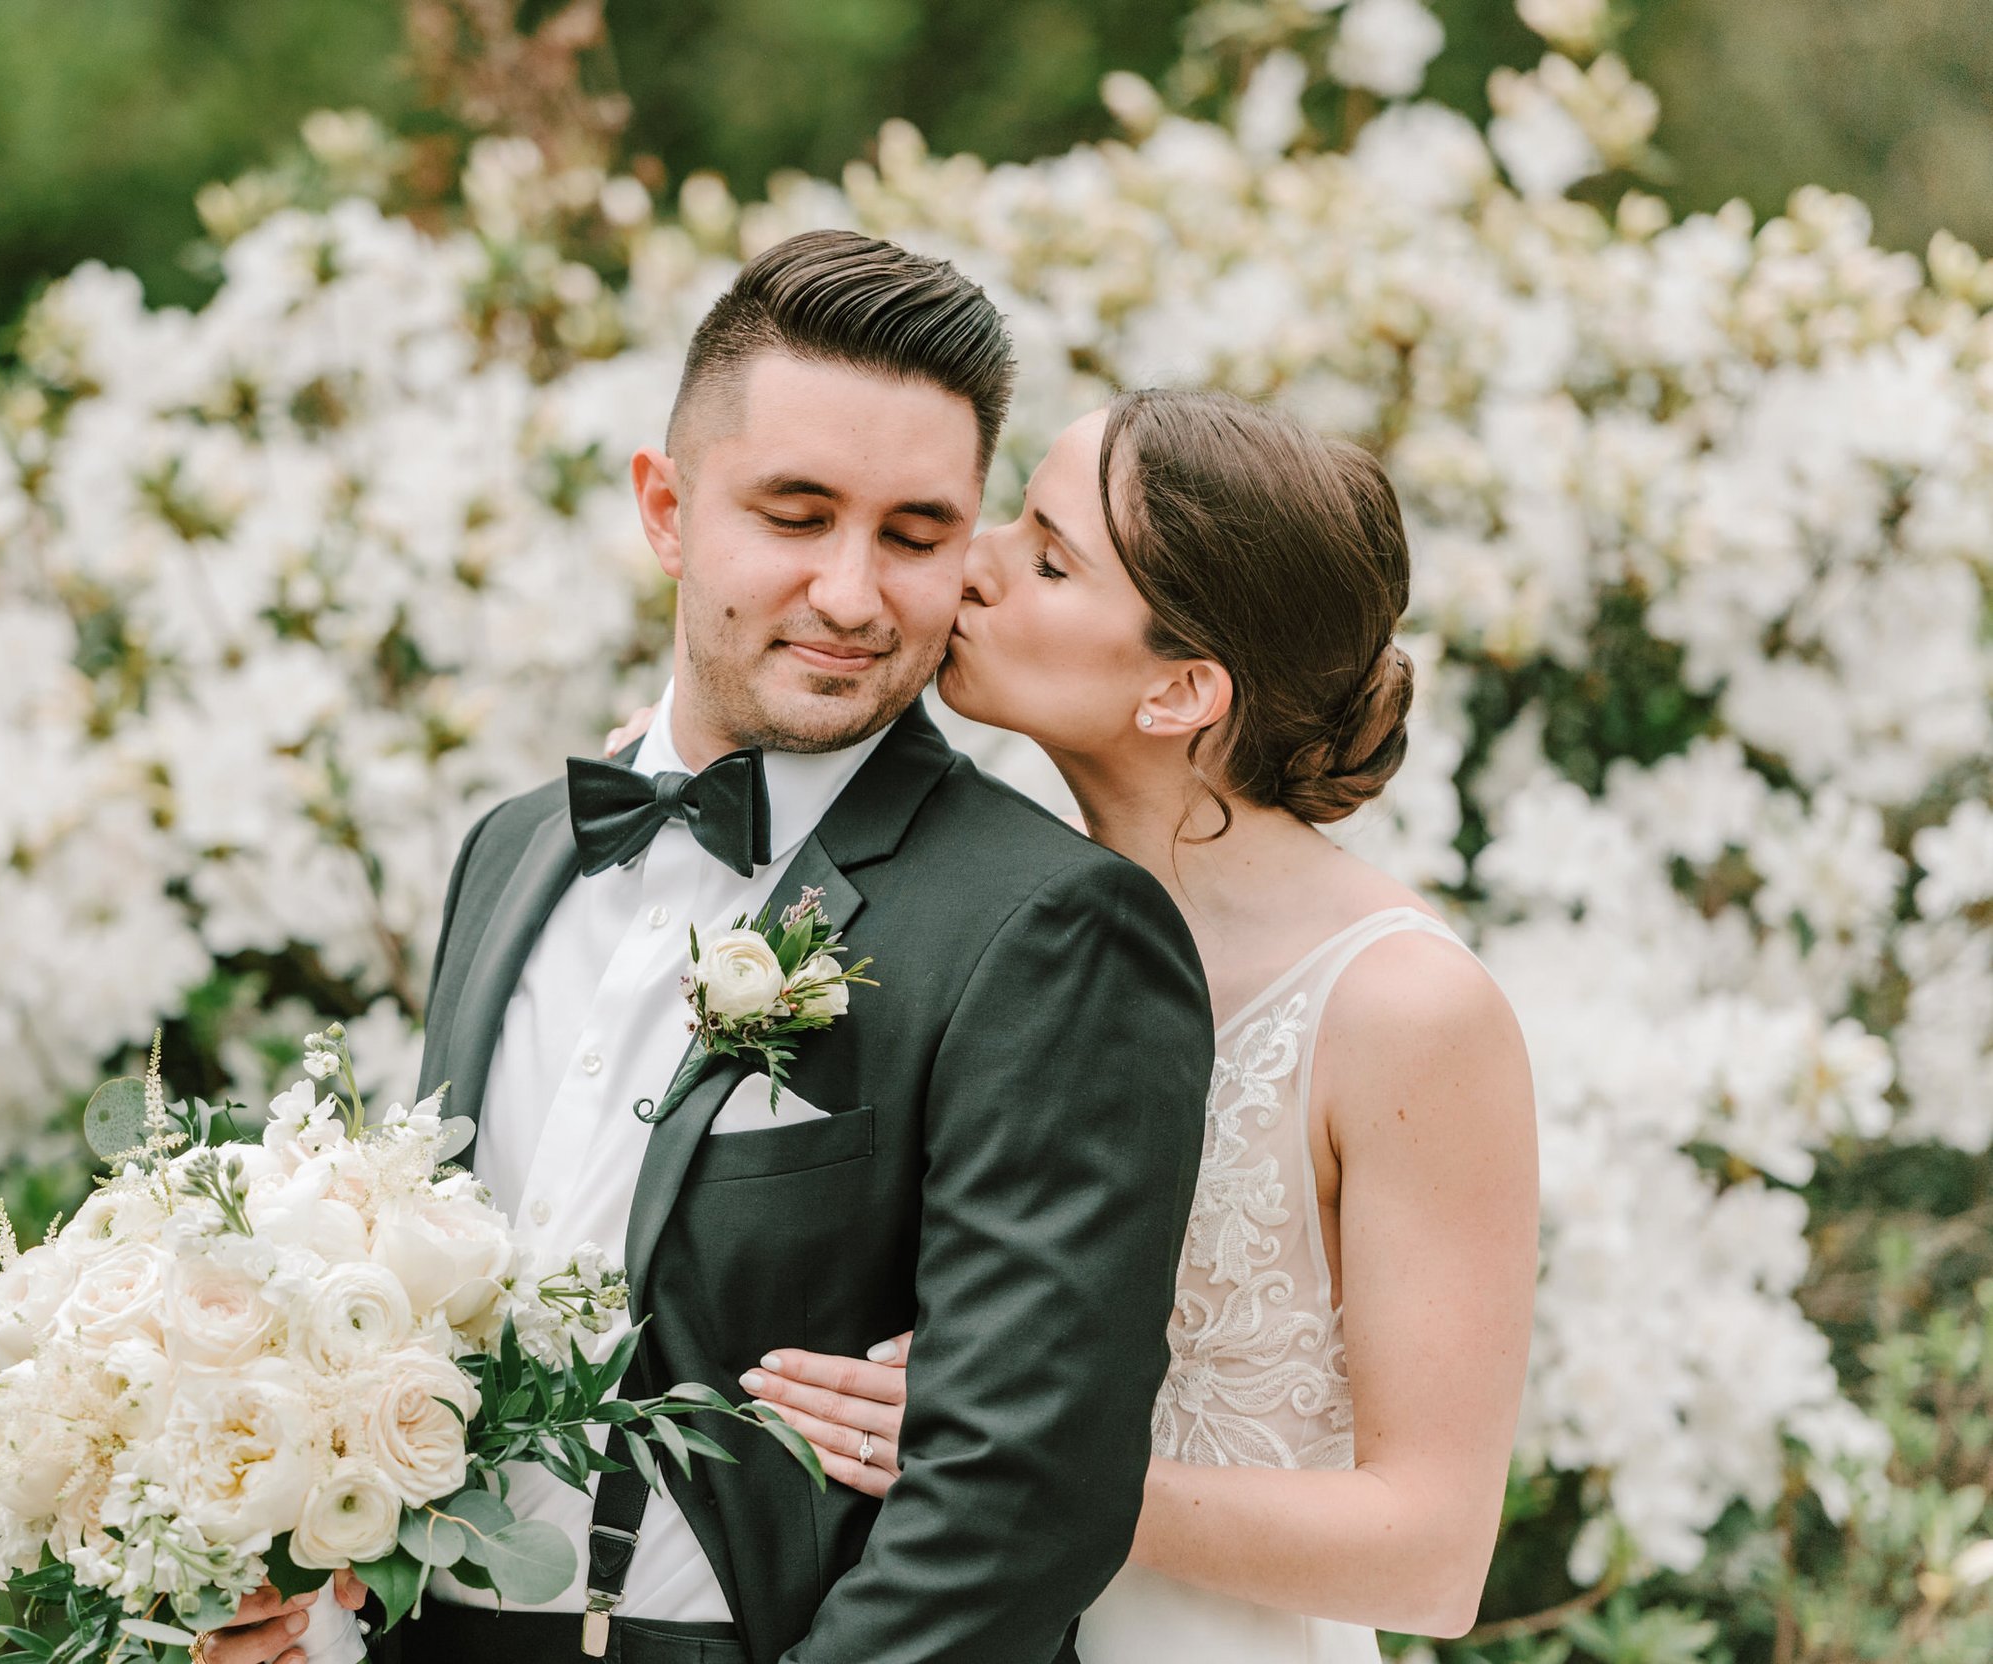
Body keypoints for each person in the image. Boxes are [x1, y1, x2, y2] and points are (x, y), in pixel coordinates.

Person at [203, 229, 1212, 1664]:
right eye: (796, 517)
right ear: (667, 510)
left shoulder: (1050, 927)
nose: (856, 596)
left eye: (916, 535)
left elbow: (1016, 1506)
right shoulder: (515, 849)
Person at [732, 389, 1540, 1658]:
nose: (971, 560)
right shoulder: (979, 913)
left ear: (1180, 692)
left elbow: (1429, 1552)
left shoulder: (1405, 1010)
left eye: (1048, 557)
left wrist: (1010, 1466)